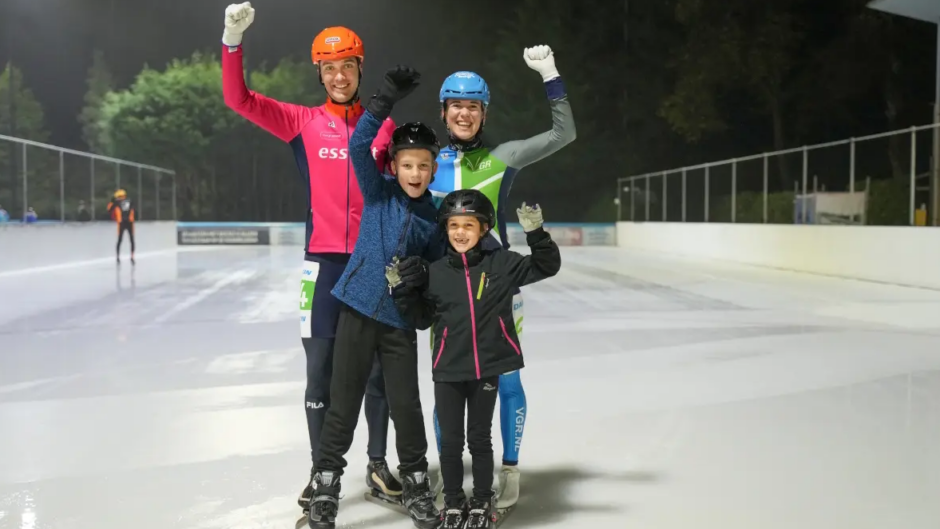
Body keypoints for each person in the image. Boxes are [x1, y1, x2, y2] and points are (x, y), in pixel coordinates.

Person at [219, 2, 400, 514]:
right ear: (318, 72)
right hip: (320, 266)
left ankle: (377, 463)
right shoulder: (301, 122)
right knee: (319, 369)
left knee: (377, 375)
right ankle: (323, 470)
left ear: (360, 69)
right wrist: (232, 41)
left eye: (347, 66)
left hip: (372, 264)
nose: (338, 75)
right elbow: (238, 98)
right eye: (328, 67)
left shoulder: (382, 128)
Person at [428, 44, 576, 508]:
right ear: (444, 111)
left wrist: (550, 74)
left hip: (498, 287)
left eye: (473, 106)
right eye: (457, 105)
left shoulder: (504, 156)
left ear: (484, 113)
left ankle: (509, 468)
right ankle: (449, 465)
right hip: (447, 290)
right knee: (446, 383)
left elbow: (563, 133)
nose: (464, 113)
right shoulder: (424, 163)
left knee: (508, 382)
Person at [307, 66, 443, 529]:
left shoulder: (436, 215)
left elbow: (442, 267)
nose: (415, 172)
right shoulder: (377, 191)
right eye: (407, 164)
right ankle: (326, 483)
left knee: (406, 404)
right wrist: (383, 100)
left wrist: (424, 273)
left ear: (433, 168)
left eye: (424, 165)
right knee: (343, 402)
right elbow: (357, 145)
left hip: (400, 321)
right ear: (394, 166)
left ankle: (418, 484)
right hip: (359, 309)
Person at [388, 189, 561, 528]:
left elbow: (546, 265)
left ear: (484, 229)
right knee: (451, 442)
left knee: (480, 439)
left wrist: (536, 233)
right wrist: (401, 291)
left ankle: (482, 499)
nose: (461, 232)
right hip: (449, 370)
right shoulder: (435, 273)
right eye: (454, 225)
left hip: (487, 369)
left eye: (469, 224)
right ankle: (453, 501)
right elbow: (421, 319)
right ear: (446, 229)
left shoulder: (503, 264)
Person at [107, 189, 136, 264]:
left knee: (120, 240)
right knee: (131, 239)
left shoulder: (116, 203)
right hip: (130, 222)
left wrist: (112, 201)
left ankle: (118, 257)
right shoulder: (130, 201)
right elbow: (133, 210)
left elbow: (109, 209)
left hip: (121, 222)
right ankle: (132, 256)